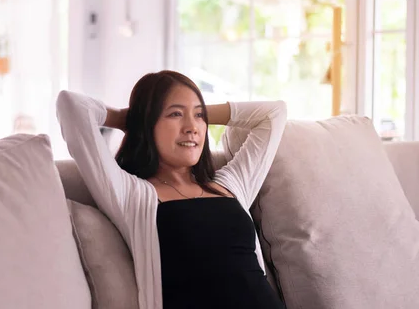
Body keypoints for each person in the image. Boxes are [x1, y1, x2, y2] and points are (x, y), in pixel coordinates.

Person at [56, 70, 287, 309]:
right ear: (148, 124)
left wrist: (197, 111)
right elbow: (72, 107)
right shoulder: (133, 195)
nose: (192, 127)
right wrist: (133, 119)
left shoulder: (231, 185)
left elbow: (274, 113)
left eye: (198, 116)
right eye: (175, 114)